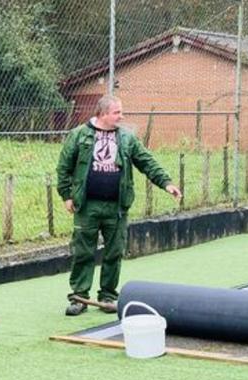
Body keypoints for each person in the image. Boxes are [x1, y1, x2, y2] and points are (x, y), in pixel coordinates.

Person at [56, 95, 181, 315]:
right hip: (87, 206)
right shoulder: (78, 135)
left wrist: (166, 183)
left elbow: (146, 161)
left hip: (117, 207)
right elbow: (64, 168)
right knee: (83, 251)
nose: (121, 117)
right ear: (103, 113)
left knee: (114, 251)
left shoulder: (127, 138)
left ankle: (107, 296)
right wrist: (67, 195)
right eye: (117, 113)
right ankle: (79, 297)